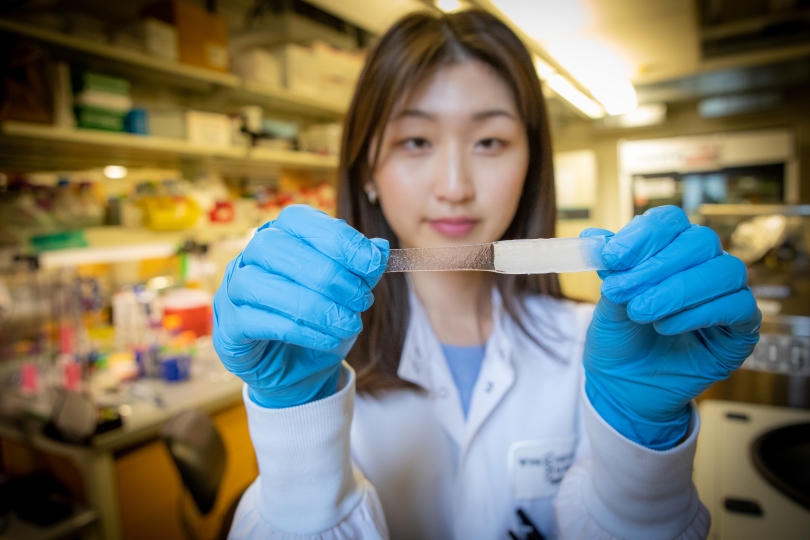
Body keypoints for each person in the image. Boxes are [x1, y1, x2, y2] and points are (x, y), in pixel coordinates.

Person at [214, 9, 760, 540]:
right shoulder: (316, 361)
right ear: (368, 173)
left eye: (490, 141)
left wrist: (641, 441)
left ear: (530, 165)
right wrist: (298, 423)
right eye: (416, 141)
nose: (455, 186)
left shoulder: (600, 351)